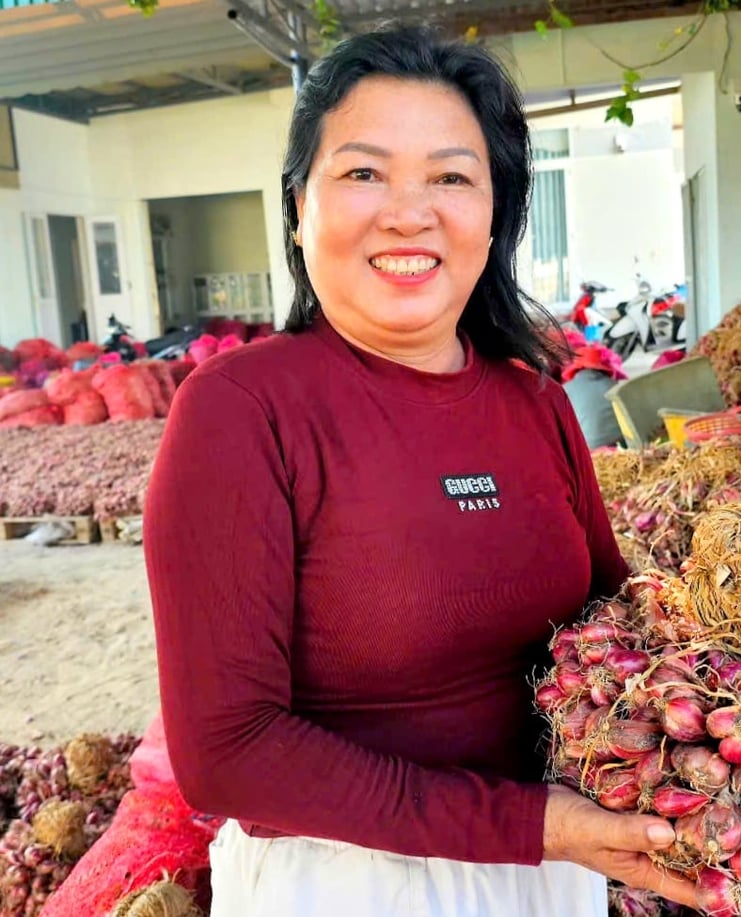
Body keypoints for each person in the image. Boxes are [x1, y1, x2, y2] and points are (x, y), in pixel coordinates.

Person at [143, 25, 698, 917]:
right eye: (364, 173)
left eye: (450, 176)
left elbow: (612, 619)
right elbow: (227, 750)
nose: (410, 212)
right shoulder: (240, 410)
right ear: (298, 205)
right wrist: (528, 825)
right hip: (346, 883)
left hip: (550, 874)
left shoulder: (536, 403)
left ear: (494, 213)